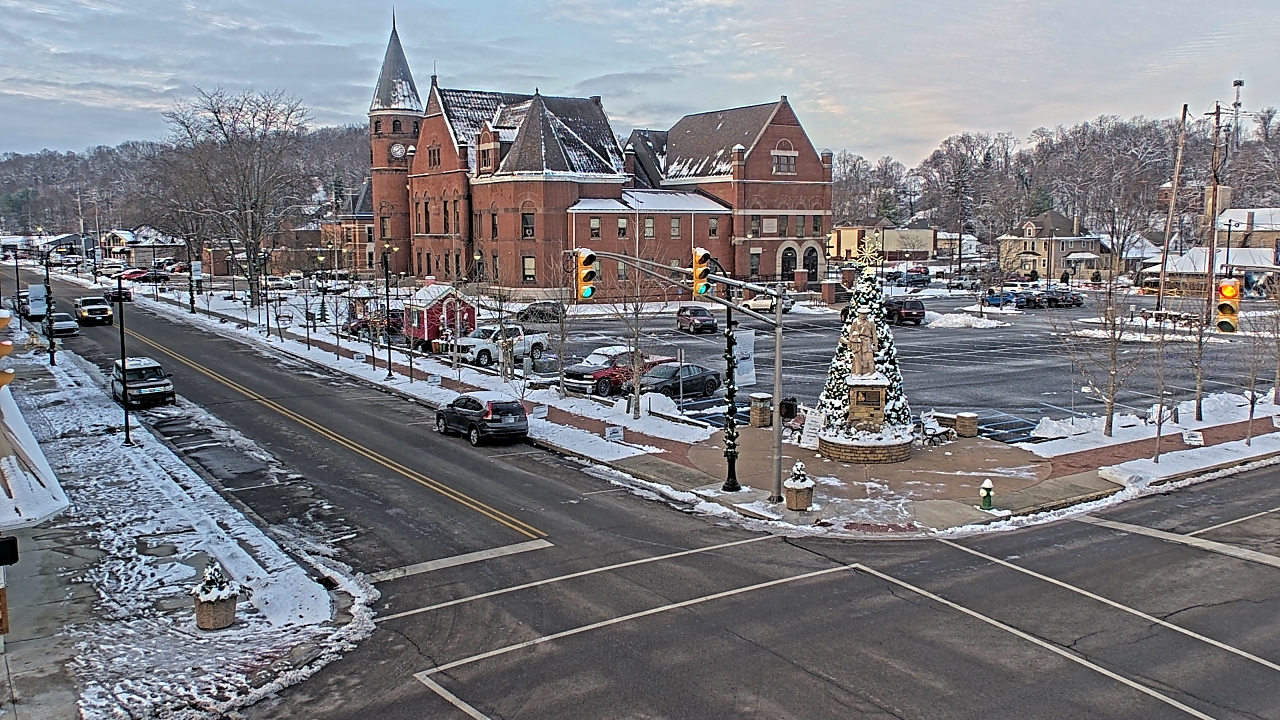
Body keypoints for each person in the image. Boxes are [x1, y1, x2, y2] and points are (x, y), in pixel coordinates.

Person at [842, 307, 877, 376]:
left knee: (869, 358)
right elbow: (851, 333)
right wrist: (851, 342)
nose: (863, 316)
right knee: (858, 359)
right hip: (857, 343)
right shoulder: (855, 322)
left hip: (867, 342)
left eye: (865, 314)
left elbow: (874, 334)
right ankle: (859, 372)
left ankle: (871, 372)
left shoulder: (870, 322)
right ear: (858, 314)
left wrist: (876, 344)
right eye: (861, 314)